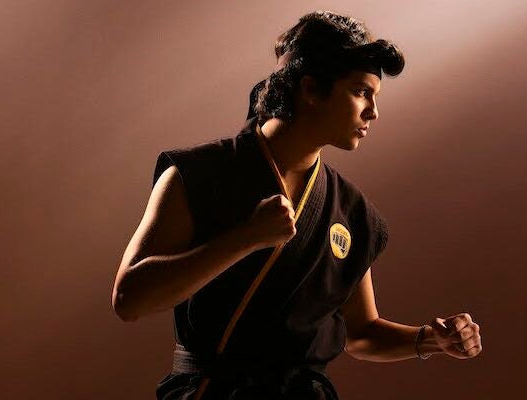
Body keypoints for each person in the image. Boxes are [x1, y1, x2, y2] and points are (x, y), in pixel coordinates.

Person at [111, 10, 483, 400]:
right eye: (361, 92)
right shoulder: (197, 174)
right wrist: (244, 238)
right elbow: (129, 299)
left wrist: (429, 340)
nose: (373, 111)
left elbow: (361, 332)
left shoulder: (352, 211)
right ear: (311, 90)